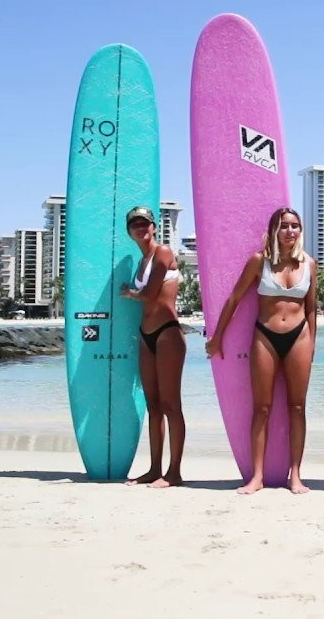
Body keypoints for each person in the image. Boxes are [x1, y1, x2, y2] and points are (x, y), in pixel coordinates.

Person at [206, 207, 317, 495]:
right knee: (262, 408)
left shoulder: (309, 264)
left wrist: (312, 344)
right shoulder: (259, 262)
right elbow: (234, 298)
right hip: (265, 336)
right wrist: (218, 337)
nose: (290, 231)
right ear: (274, 231)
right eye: (284, 226)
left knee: (297, 407)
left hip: (299, 337)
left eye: (295, 226)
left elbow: (312, 308)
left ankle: (296, 475)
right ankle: (257, 476)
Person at [120, 206, 186, 488]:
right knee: (153, 406)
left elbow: (150, 294)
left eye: (145, 223)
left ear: (154, 227)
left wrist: (129, 294)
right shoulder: (141, 261)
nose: (140, 227)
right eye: (135, 224)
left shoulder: (164, 253)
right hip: (146, 335)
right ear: (129, 231)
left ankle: (174, 473)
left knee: (172, 405)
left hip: (167, 333)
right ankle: (154, 468)